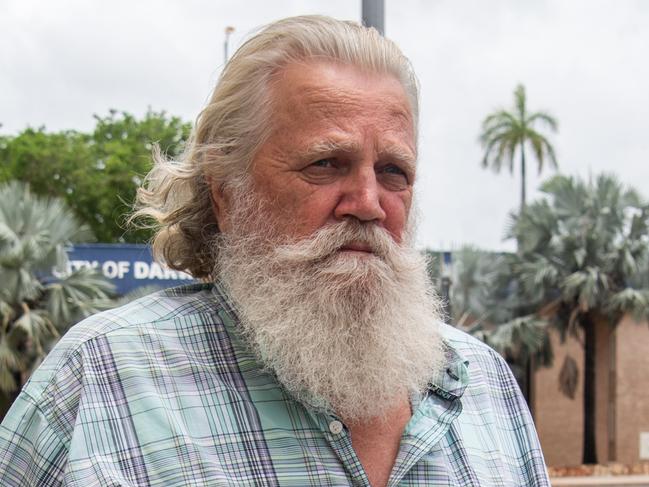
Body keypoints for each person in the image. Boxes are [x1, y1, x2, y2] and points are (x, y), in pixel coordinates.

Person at [0, 15, 549, 486]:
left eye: (393, 172)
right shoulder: (103, 377)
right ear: (226, 192)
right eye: (325, 164)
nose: (368, 202)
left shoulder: (486, 383)